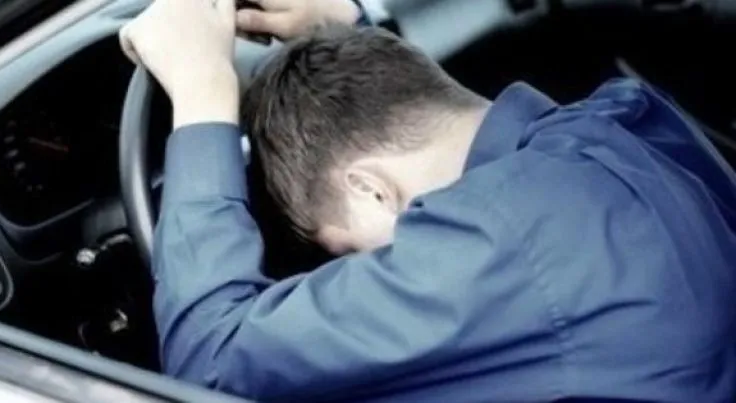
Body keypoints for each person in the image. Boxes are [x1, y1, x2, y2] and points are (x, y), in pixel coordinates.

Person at [119, 0, 736, 401]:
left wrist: (203, 93)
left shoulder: (488, 243)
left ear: (371, 188)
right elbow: (432, 115)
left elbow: (210, 362)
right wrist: (353, 34)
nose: (361, 270)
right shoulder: (620, 122)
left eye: (348, 252)